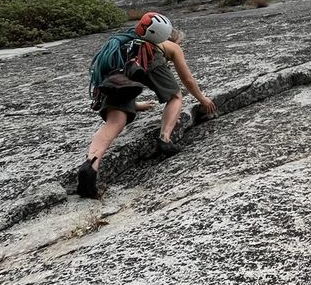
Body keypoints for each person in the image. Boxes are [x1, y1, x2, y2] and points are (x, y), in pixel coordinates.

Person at [77, 11, 217, 198]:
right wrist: (202, 99)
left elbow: (128, 78)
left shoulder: (125, 42)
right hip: (148, 56)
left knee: (114, 122)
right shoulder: (168, 45)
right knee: (175, 96)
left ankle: (91, 164)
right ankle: (165, 139)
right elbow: (188, 80)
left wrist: (136, 105)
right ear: (171, 37)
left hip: (113, 72)